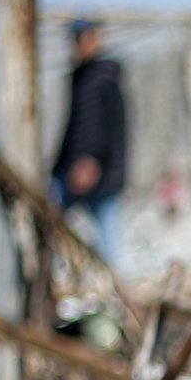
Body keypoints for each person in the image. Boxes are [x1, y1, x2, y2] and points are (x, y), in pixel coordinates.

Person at [50, 19, 127, 265]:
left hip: (97, 173)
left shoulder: (102, 79)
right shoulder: (82, 78)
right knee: (48, 219)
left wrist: (91, 161)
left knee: (110, 242)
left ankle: (120, 294)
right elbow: (73, 128)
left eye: (83, 39)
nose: (79, 46)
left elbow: (101, 128)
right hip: (74, 169)